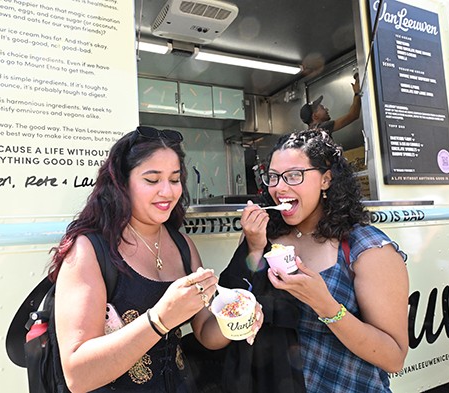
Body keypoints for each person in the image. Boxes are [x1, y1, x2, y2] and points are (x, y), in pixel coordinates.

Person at [49, 126, 262, 392]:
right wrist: (159, 319)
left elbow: (206, 333)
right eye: (152, 180)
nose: (167, 192)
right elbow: (78, 375)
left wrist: (236, 322)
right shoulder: (90, 249)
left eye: (174, 180)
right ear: (121, 183)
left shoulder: (183, 246)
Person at [231, 129, 409, 392]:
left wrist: (325, 305)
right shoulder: (265, 237)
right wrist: (252, 250)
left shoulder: (366, 249)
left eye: (294, 175)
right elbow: (237, 300)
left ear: (326, 179)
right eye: (273, 177)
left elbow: (394, 358)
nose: (279, 187)